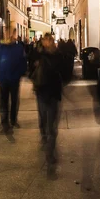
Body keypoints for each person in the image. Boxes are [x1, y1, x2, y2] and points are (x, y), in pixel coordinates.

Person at [31, 33, 63, 168]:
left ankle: (50, 151)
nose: (48, 42)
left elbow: (64, 72)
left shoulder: (57, 55)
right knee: (44, 119)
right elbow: (30, 71)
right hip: (43, 91)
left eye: (50, 39)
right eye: (46, 39)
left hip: (52, 92)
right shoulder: (37, 54)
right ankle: (45, 137)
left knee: (52, 125)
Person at [0, 25, 27, 133]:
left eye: (11, 32)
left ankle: (13, 119)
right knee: (3, 101)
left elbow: (23, 62)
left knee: (14, 100)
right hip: (3, 79)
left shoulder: (18, 48)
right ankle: (5, 122)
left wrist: (20, 73)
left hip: (14, 79)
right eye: (7, 32)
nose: (9, 35)